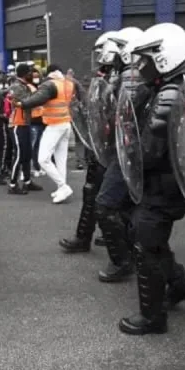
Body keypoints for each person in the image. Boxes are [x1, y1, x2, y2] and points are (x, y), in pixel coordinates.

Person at [117, 24, 185, 336]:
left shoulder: (170, 94)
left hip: (164, 184)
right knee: (152, 239)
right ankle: (179, 285)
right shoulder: (166, 86)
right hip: (168, 182)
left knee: (147, 241)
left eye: (145, 59)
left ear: (164, 57)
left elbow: (149, 150)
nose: (139, 66)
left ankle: (153, 317)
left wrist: (129, 154)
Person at [92, 27, 145, 282]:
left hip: (127, 149)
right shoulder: (123, 74)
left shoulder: (131, 76)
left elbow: (123, 114)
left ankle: (122, 260)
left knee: (105, 203)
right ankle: (130, 254)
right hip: (124, 148)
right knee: (125, 207)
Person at [59, 31, 118, 253]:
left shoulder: (126, 80)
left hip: (114, 148)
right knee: (90, 192)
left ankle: (116, 245)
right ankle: (83, 237)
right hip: (100, 144)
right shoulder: (105, 76)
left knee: (109, 200)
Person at [15, 65, 80, 203]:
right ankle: (61, 188)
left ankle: (63, 187)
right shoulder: (68, 83)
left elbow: (38, 98)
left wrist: (21, 104)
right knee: (61, 160)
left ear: (49, 72)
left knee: (43, 159)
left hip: (54, 125)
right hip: (65, 123)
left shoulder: (50, 84)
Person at [7, 63, 43, 194]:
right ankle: (12, 184)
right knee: (19, 154)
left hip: (25, 122)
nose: (31, 75)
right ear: (24, 74)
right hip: (17, 123)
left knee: (27, 153)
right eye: (29, 73)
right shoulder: (16, 86)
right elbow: (27, 101)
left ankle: (27, 181)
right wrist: (37, 93)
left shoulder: (25, 85)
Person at [29, 68, 46, 177]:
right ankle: (33, 167)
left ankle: (38, 166)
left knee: (40, 145)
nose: (36, 78)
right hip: (33, 120)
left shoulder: (40, 87)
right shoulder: (30, 88)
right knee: (33, 145)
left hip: (41, 120)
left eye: (37, 76)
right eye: (34, 77)